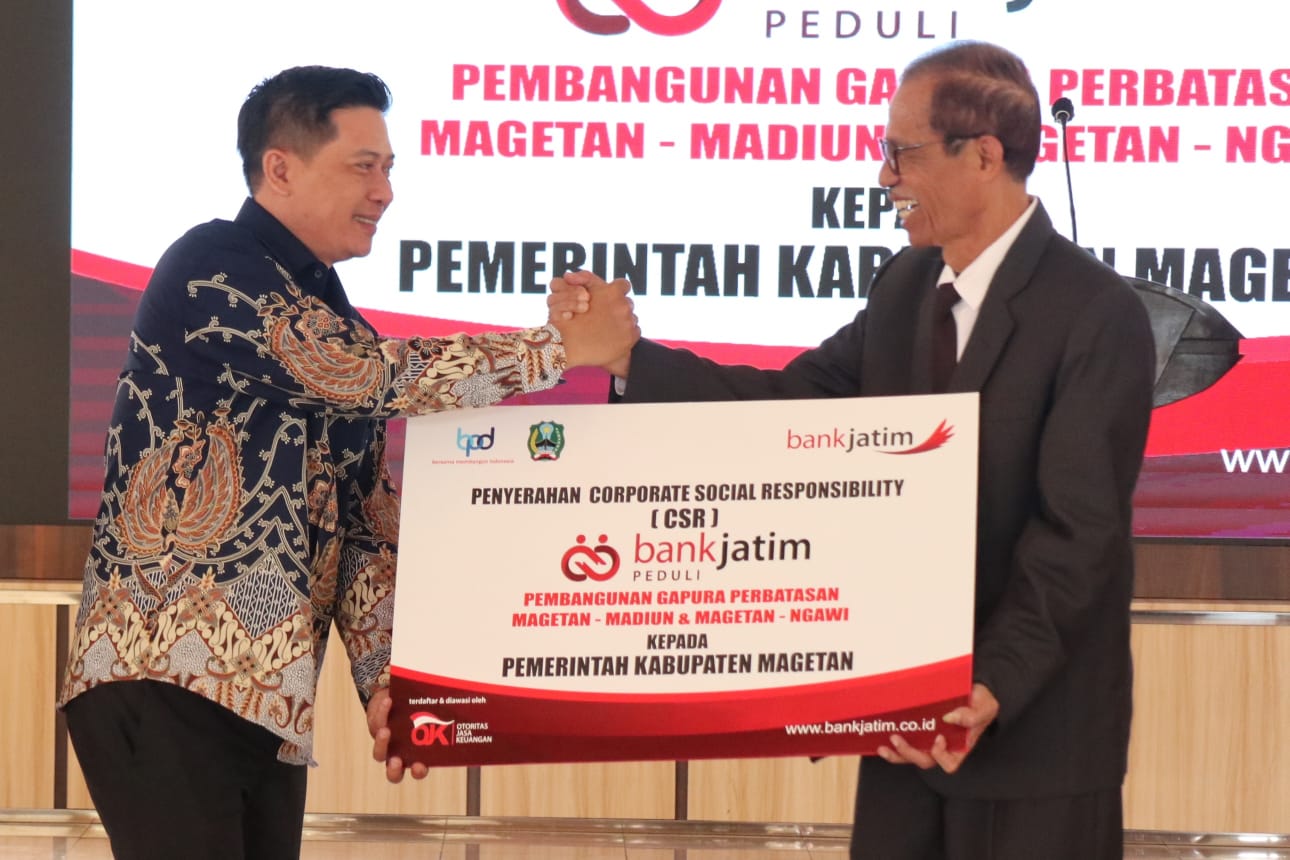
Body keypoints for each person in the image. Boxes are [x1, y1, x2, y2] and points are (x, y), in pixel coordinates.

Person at [554, 41, 1155, 860]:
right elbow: (789, 408)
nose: (883, 177)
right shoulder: (905, 288)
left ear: (983, 157)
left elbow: (1077, 538)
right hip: (901, 732)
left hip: (1028, 740)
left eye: (903, 154)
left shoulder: (1097, 313)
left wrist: (987, 684)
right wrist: (629, 358)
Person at [58, 65, 638, 859]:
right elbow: (363, 376)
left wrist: (392, 684)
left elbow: (365, 527)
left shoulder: (334, 314)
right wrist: (561, 348)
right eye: (364, 166)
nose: (385, 191)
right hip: (161, 680)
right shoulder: (211, 265)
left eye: (390, 168)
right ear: (280, 168)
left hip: (267, 702)